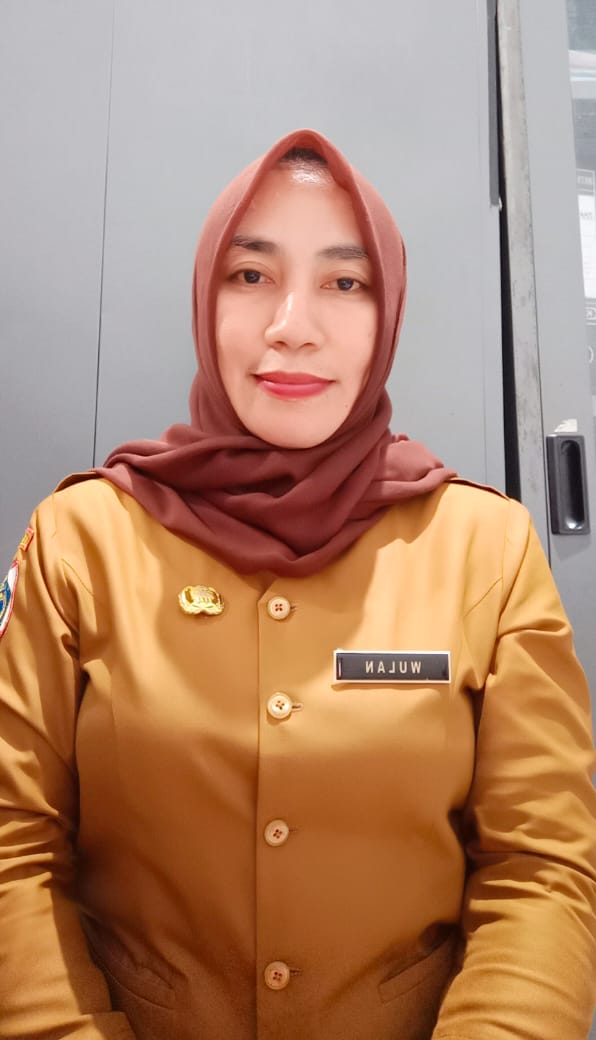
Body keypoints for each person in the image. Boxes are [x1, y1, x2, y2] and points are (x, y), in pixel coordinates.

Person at [0, 128, 595, 1040]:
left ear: (387, 312)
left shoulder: (487, 551)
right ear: (206, 299)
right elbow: (15, 846)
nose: (293, 324)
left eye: (344, 282)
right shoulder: (83, 541)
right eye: (251, 274)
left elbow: (541, 868)